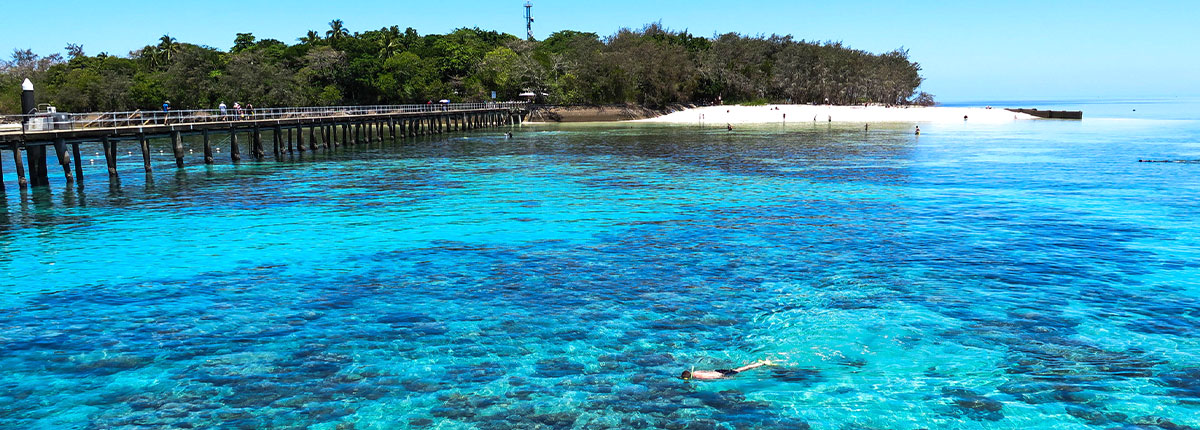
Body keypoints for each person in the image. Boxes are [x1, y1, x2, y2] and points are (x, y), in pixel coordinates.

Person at [680, 360, 772, 381]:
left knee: (741, 370)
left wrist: (725, 378)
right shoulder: (695, 372)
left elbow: (711, 377)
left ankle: (762, 363)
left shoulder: (698, 376)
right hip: (718, 370)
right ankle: (757, 363)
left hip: (720, 374)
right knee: (739, 369)